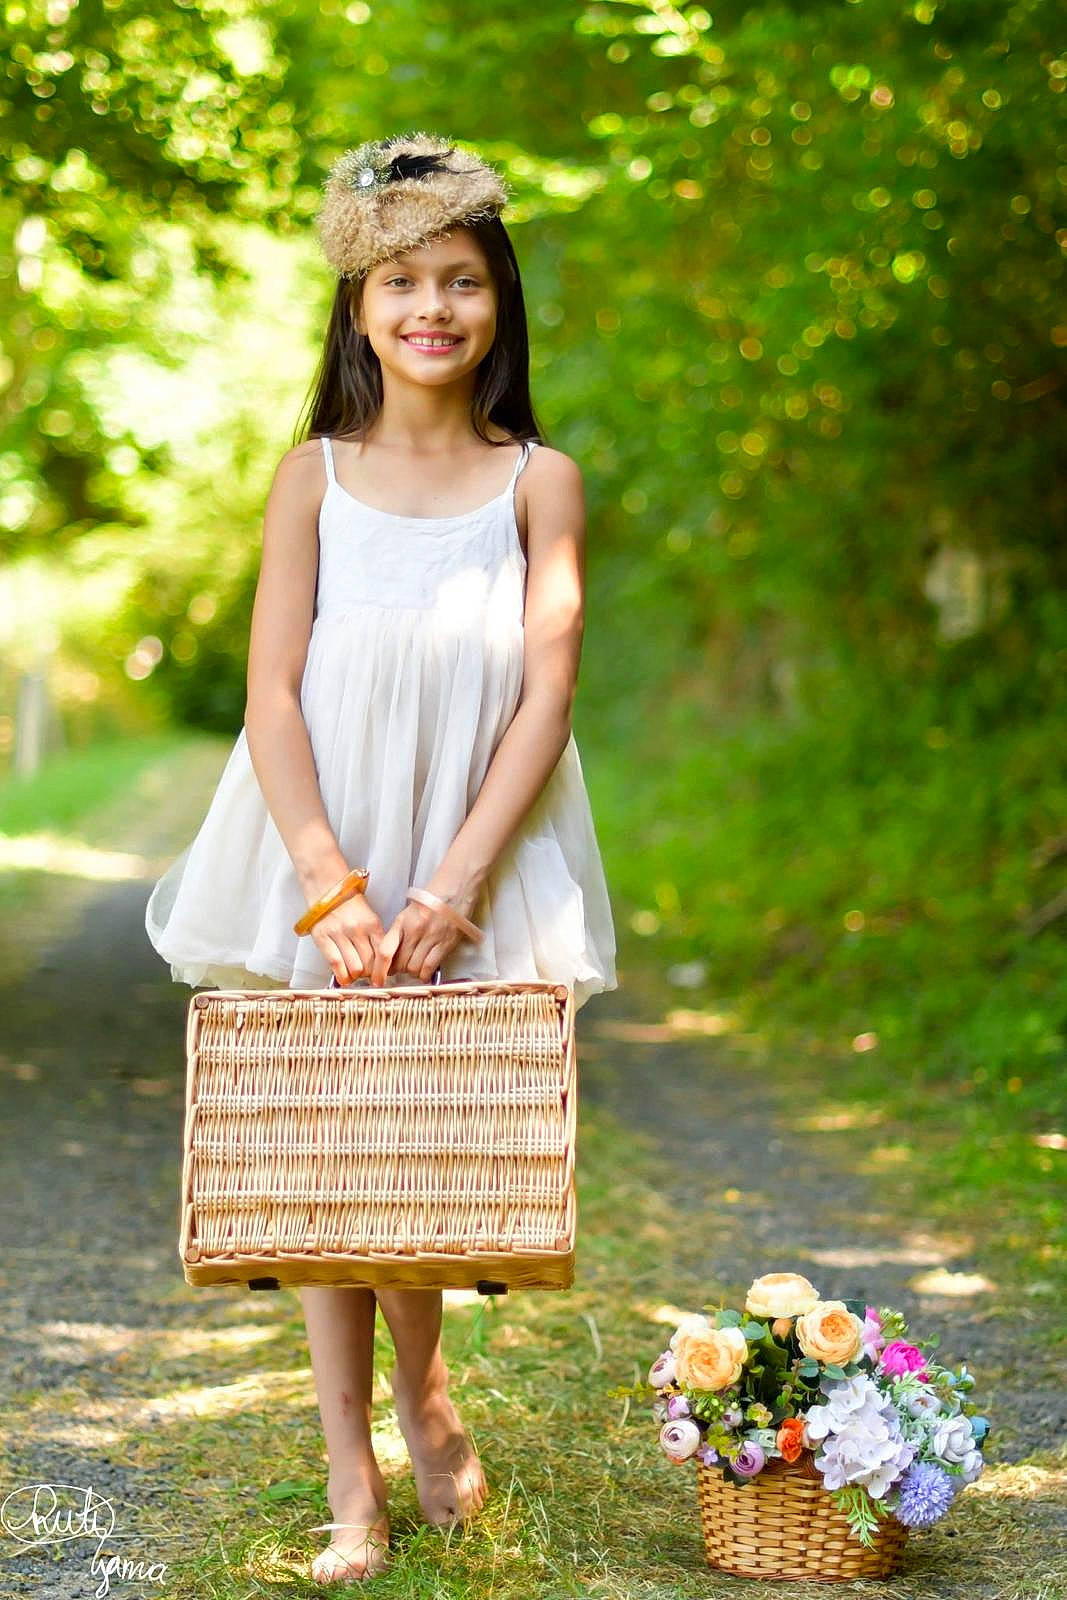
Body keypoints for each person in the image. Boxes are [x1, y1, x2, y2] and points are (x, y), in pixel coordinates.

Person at [145, 130, 618, 1584]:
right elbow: (272, 691)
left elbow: (546, 687)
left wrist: (456, 878)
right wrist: (327, 880)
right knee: (323, 1151)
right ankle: (350, 1462)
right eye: (403, 280)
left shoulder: (538, 480)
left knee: (417, 1139)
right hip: (329, 843)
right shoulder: (315, 480)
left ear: (499, 304)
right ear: (359, 307)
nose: (433, 308)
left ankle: (428, 1396)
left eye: (462, 281)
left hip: (463, 843)